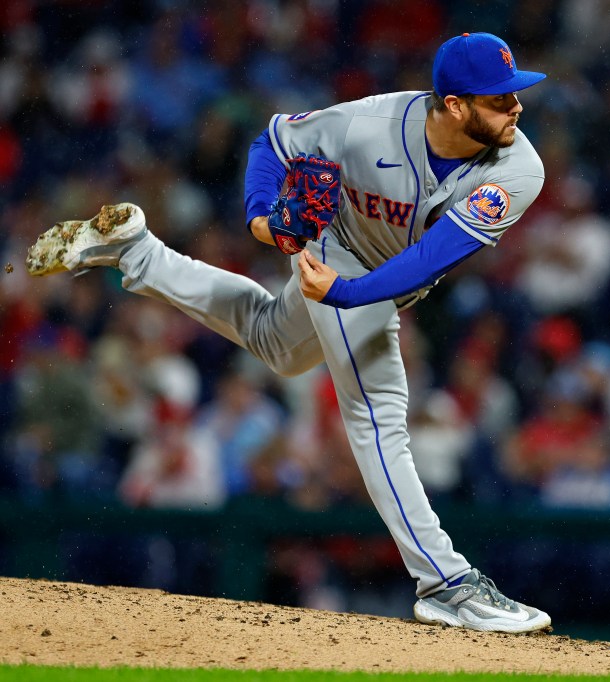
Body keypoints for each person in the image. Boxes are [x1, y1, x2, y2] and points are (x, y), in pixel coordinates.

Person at [25, 32, 550, 633]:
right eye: (501, 98)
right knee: (378, 413)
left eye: (515, 96)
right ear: (454, 104)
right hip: (338, 251)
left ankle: (138, 254)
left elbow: (434, 254)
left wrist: (346, 295)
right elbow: (273, 139)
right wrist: (261, 219)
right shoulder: (368, 122)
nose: (517, 107)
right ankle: (447, 583)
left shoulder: (519, 166)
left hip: (367, 280)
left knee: (275, 342)